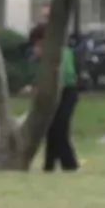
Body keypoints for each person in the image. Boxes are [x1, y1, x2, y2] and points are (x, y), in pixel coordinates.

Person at [29, 23, 80, 172]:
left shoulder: (63, 53)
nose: (36, 47)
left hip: (67, 93)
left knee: (60, 128)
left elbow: (67, 76)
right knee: (51, 129)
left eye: (38, 44)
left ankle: (70, 164)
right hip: (53, 94)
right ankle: (49, 165)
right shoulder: (44, 58)